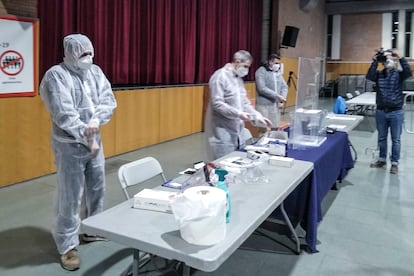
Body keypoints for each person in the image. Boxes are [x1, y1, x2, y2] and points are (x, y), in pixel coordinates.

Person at [39, 34, 117, 270]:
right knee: (70, 195)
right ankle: (67, 245)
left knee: (97, 188)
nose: (89, 58)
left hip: (94, 141)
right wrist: (85, 134)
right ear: (71, 53)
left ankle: (92, 230)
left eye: (91, 53)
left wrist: (95, 122)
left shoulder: (95, 72)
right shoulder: (56, 76)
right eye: (83, 54)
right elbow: (64, 114)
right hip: (69, 145)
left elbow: (108, 100)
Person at [205, 50, 272, 160]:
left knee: (237, 162)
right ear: (237, 61)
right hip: (222, 131)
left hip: (238, 131)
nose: (247, 70)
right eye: (245, 66)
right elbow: (217, 103)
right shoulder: (219, 77)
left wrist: (257, 116)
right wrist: (238, 113)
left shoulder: (238, 79)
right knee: (224, 165)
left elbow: (245, 102)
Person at [366, 48, 412, 174]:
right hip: (381, 111)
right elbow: (369, 75)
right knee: (381, 138)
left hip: (396, 112)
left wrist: (401, 57)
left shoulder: (399, 74)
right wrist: (375, 61)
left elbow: (408, 72)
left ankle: (394, 163)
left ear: (394, 60)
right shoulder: (379, 74)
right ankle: (382, 160)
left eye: (390, 58)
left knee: (396, 139)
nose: (388, 60)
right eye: (386, 59)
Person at [255, 53, 288, 129]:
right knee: (262, 129)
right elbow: (262, 88)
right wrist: (277, 96)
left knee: (275, 128)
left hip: (275, 106)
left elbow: (284, 86)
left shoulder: (277, 73)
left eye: (279, 63)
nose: (278, 65)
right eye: (276, 63)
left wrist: (281, 100)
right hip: (263, 106)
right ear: (270, 62)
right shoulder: (261, 71)